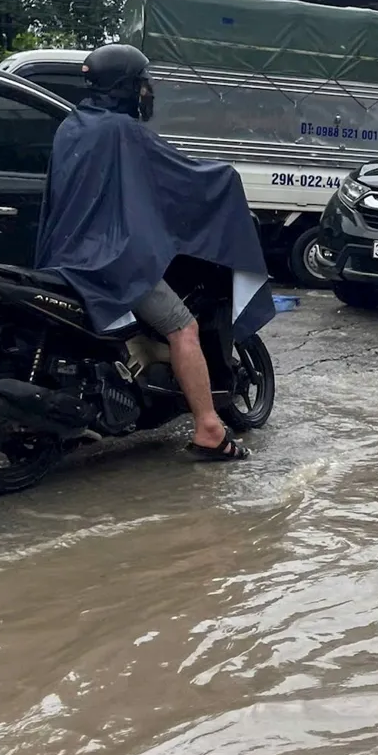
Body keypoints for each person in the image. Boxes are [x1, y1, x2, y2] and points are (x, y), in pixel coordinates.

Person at [34, 43, 276, 462]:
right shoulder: (122, 132)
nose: (148, 92)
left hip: (64, 256)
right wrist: (225, 177)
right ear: (126, 86)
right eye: (143, 84)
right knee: (183, 328)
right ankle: (209, 428)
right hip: (110, 259)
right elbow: (181, 177)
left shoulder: (71, 126)